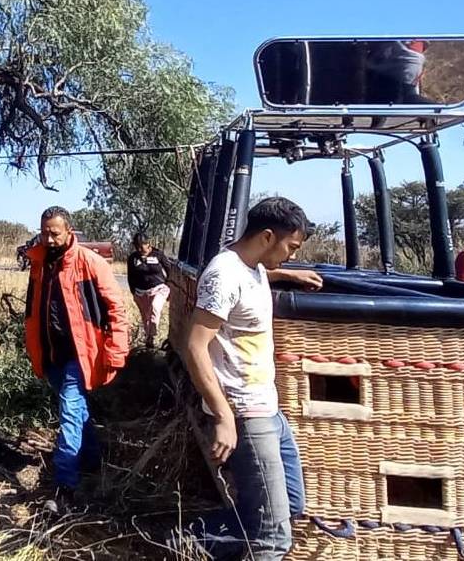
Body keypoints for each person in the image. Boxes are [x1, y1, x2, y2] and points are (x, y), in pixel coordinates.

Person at [183, 197, 323, 561]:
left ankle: (191, 540)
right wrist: (224, 416)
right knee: (273, 539)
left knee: (290, 503)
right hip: (246, 413)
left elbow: (254, 277)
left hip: (270, 410)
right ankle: (189, 541)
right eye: (290, 248)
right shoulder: (224, 275)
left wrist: (287, 275)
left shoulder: (253, 267)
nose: (292, 256)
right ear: (265, 236)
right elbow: (195, 346)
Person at [21, 206, 129, 512]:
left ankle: (64, 488)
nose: (50, 239)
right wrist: (34, 350)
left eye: (55, 233)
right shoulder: (40, 264)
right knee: (77, 412)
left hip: (79, 356)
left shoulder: (89, 263)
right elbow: (33, 310)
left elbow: (116, 310)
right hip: (51, 354)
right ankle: (93, 460)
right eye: (45, 232)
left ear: (70, 231)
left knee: (68, 413)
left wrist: (116, 351)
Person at [127, 233, 170, 349]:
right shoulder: (133, 258)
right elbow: (130, 276)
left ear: (148, 244)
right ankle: (149, 339)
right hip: (141, 292)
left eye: (142, 246)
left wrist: (170, 286)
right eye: (137, 247)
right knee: (145, 316)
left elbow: (169, 270)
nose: (139, 249)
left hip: (158, 288)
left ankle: (153, 335)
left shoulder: (158, 255)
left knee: (155, 308)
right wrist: (133, 292)